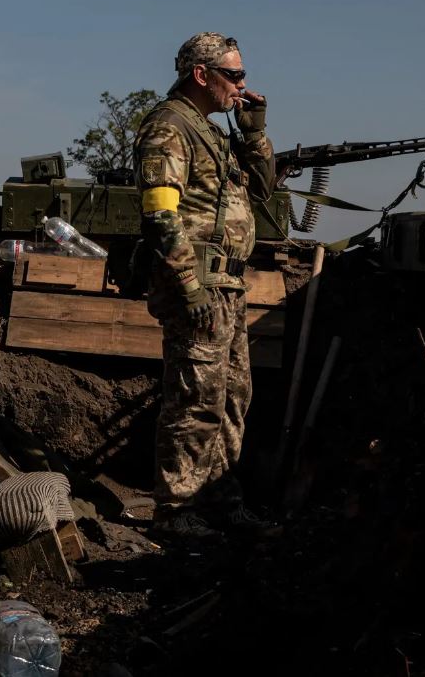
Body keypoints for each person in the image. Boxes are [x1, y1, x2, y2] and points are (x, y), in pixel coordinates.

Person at [134, 32, 278, 540]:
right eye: (234, 75)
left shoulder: (212, 132)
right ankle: (176, 510)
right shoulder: (169, 127)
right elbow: (160, 214)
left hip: (227, 284)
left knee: (233, 396)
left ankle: (220, 501)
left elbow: (263, 189)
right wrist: (189, 286)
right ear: (202, 74)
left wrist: (255, 133)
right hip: (198, 284)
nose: (242, 85)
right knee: (195, 398)